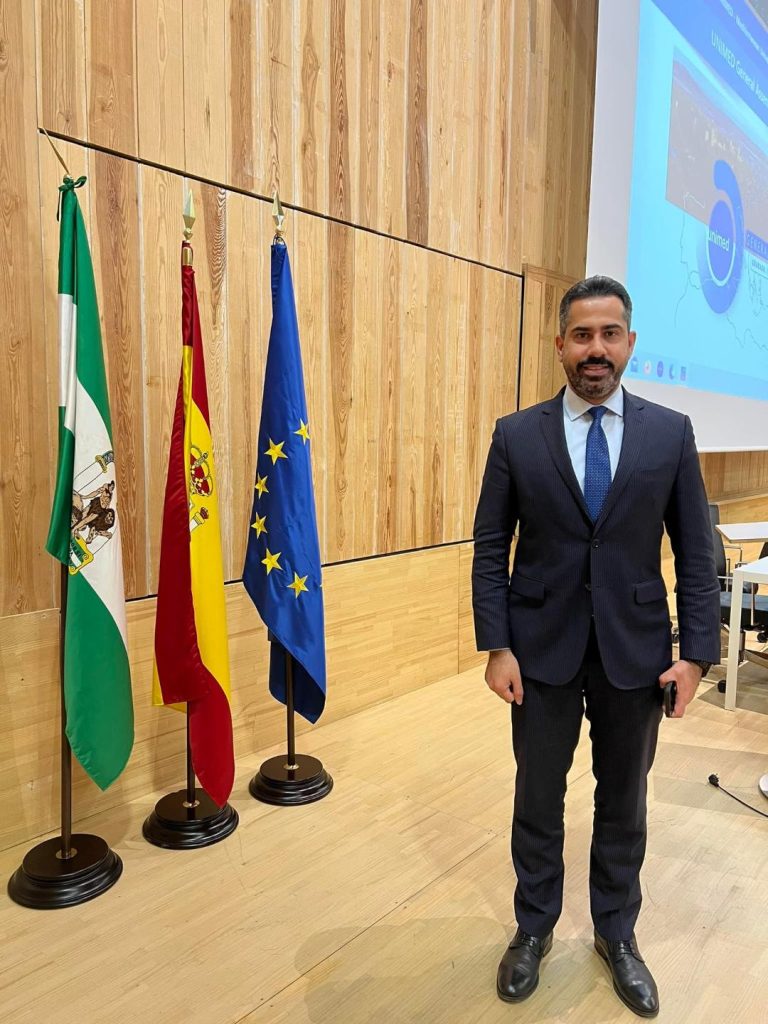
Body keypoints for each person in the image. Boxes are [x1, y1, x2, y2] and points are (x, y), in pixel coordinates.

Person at [472, 276, 720, 1018]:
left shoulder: (669, 433)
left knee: (624, 801)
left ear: (630, 343)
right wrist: (496, 645)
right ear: (559, 346)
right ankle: (533, 929)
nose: (596, 349)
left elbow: (697, 552)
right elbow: (490, 547)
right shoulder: (517, 435)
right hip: (539, 652)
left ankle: (617, 933)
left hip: (635, 654)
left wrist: (696, 655)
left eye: (610, 334)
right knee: (537, 799)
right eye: (582, 335)